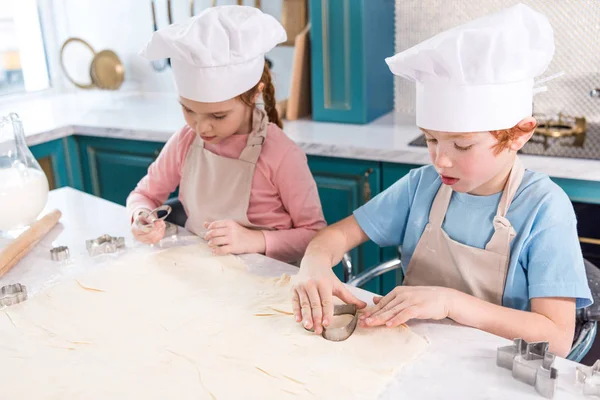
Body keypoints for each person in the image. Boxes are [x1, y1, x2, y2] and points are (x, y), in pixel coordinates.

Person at [291, 3, 592, 357]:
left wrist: (450, 302)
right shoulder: (422, 185)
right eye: (430, 139)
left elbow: (556, 337)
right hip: (414, 357)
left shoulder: (544, 208)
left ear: (520, 134)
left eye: (462, 145)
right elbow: (337, 235)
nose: (440, 159)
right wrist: (314, 263)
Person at [126, 5, 326, 264]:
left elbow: (316, 235)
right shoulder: (185, 141)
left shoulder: (281, 154)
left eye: (218, 116)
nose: (201, 127)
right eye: (188, 110)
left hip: (269, 280)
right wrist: (141, 216)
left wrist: (255, 240)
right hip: (207, 272)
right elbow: (143, 195)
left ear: (254, 94)